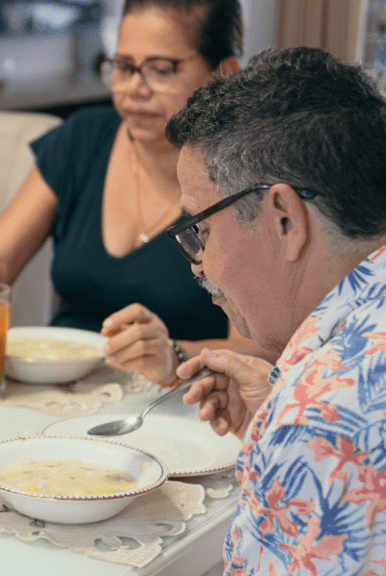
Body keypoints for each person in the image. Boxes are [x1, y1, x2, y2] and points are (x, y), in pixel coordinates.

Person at [0, 0, 274, 386]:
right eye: (123, 67)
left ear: (225, 72)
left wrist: (172, 353)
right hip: (57, 392)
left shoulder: (245, 176)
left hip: (181, 402)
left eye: (161, 70)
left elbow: (262, 351)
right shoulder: (83, 139)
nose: (134, 89)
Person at [165, 47, 386, 574]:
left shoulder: (319, 419)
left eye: (202, 229)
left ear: (284, 218)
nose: (199, 266)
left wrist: (292, 428)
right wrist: (275, 413)